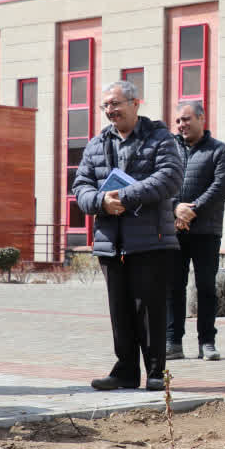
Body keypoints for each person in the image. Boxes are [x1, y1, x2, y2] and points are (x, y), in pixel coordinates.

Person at [72, 81, 184, 392]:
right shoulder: (97, 144)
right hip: (111, 241)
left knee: (148, 309)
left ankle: (156, 371)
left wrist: (124, 196)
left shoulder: (160, 138)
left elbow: (170, 178)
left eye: (116, 104)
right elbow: (80, 186)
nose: (110, 111)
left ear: (137, 104)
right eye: (105, 106)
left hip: (151, 239)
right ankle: (125, 371)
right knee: (119, 310)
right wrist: (100, 202)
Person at [166, 100, 225, 361]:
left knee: (206, 287)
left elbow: (222, 187)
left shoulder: (220, 151)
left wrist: (191, 210)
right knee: (173, 287)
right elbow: (159, 183)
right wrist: (175, 209)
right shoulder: (168, 151)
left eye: (186, 119)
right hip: (174, 230)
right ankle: (173, 342)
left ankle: (207, 341)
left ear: (201, 118)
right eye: (178, 121)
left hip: (206, 231)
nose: (182, 125)